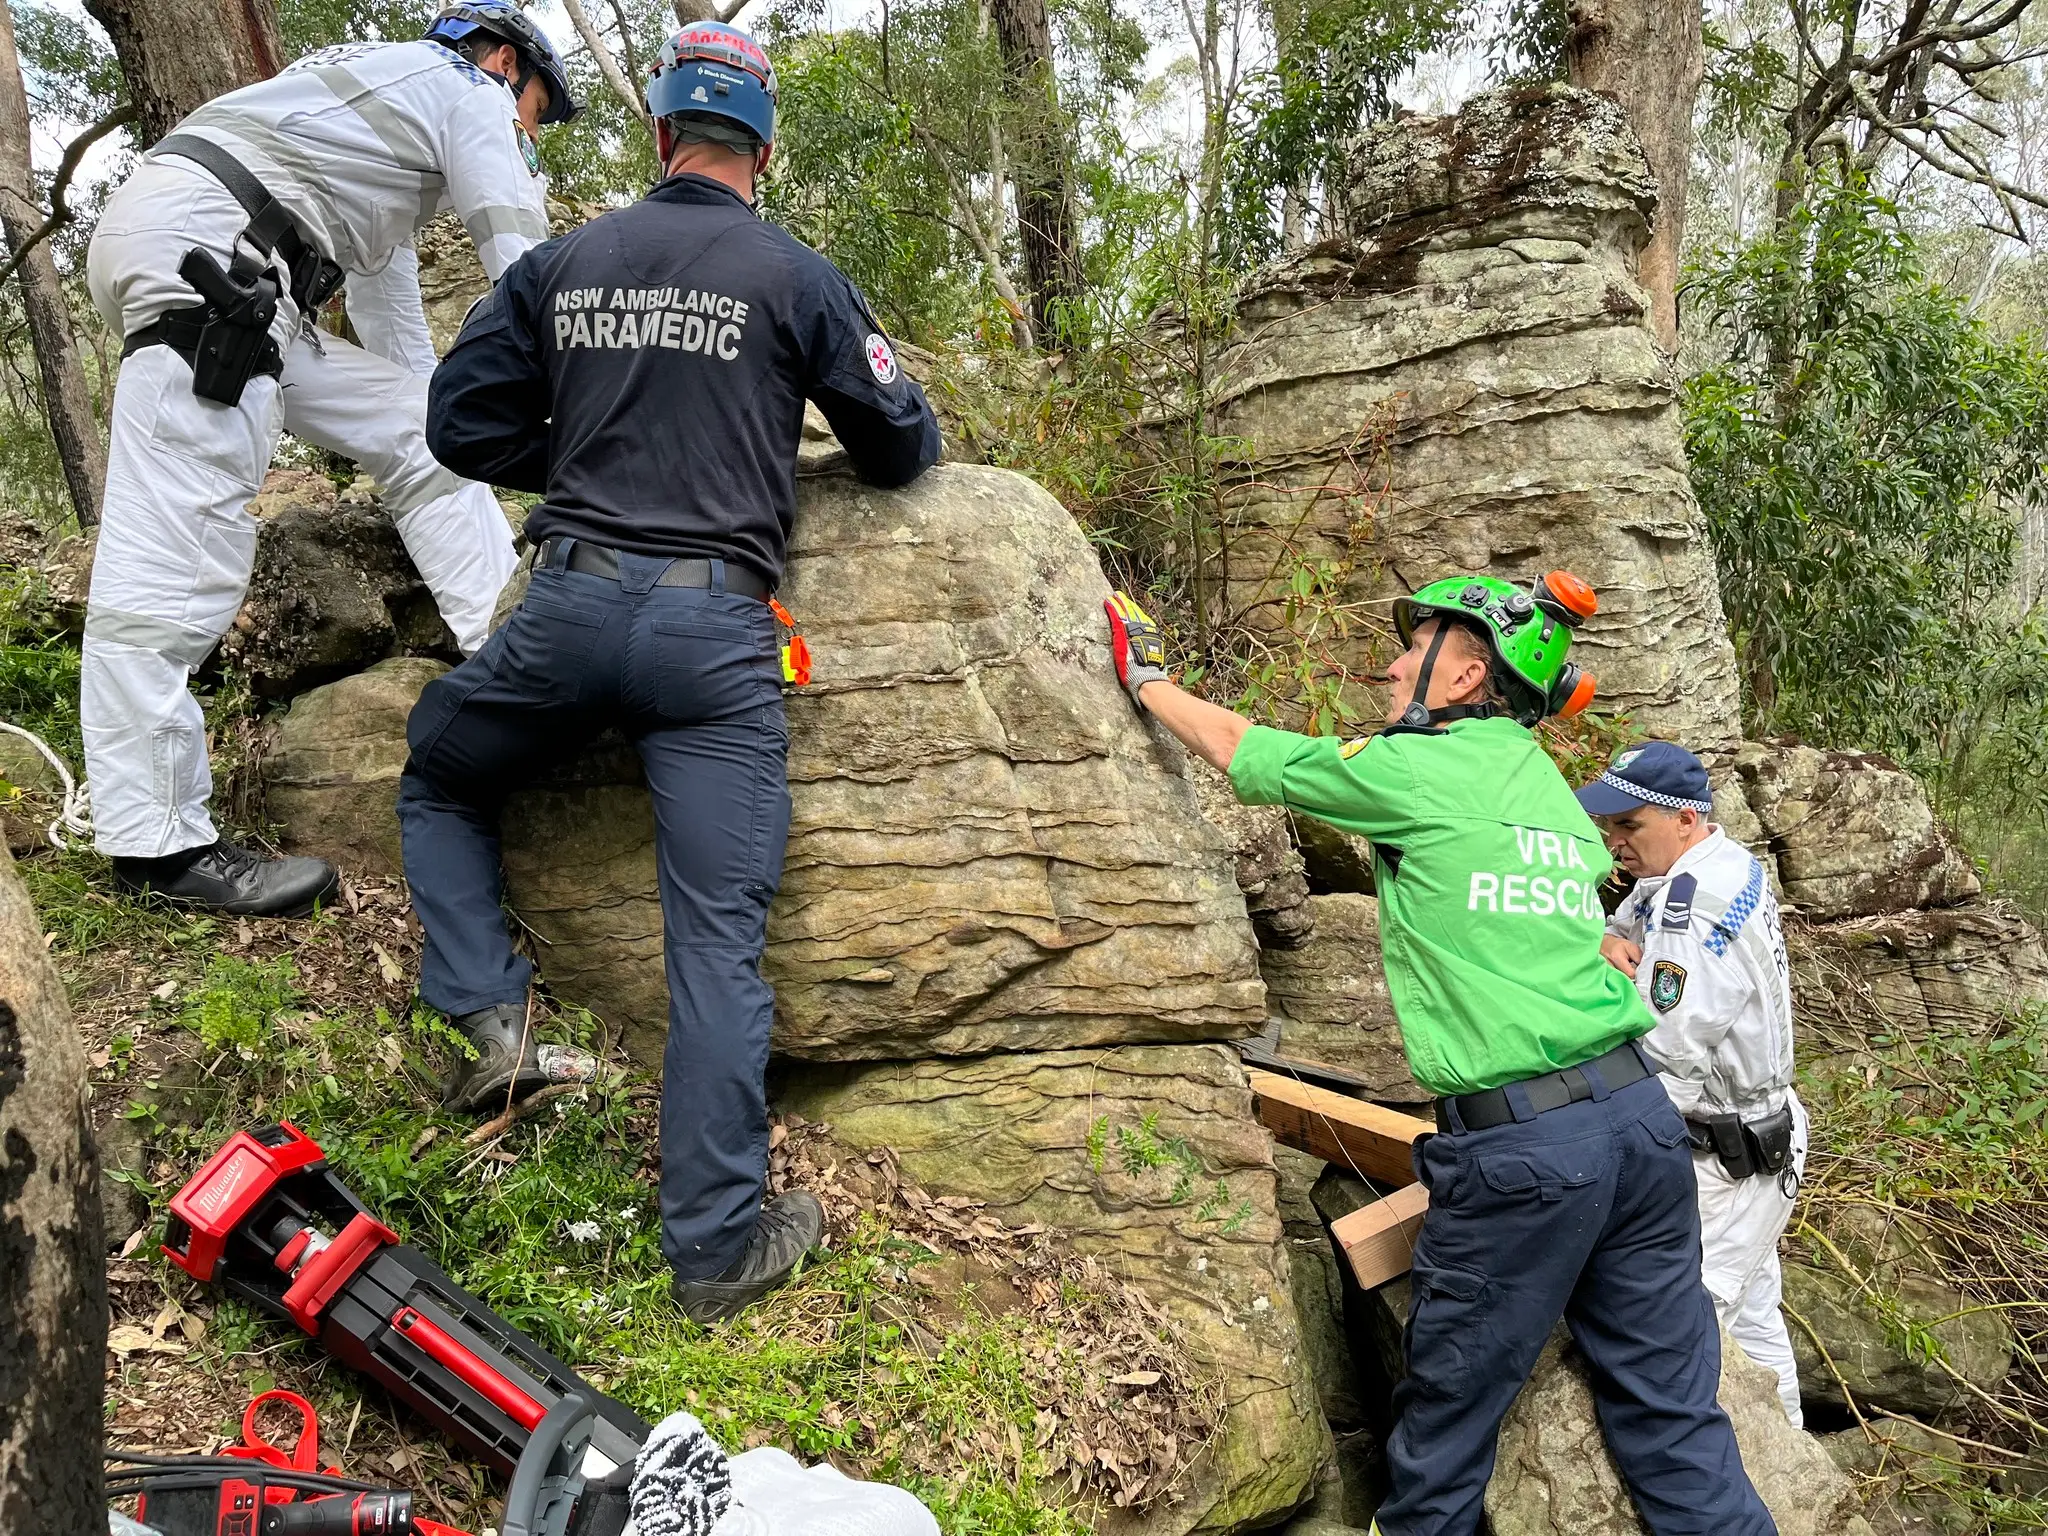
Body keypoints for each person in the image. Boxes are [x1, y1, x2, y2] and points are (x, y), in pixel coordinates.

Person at [404, 21, 941, 1324]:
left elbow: (457, 422)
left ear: (658, 138)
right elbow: (900, 446)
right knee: (715, 946)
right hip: (715, 642)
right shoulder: (794, 273)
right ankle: (714, 1251)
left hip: (572, 606)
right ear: (763, 143)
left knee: (439, 776)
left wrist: (582, 459)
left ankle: (490, 1023)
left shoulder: (564, 262)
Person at [1102, 579, 1775, 1535]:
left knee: (1444, 1437)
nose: (1392, 661)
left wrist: (1148, 679)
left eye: (1418, 643)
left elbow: (1245, 751)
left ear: (1464, 674)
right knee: (1674, 1418)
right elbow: (1578, 901)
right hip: (1640, 1129)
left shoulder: (1411, 769)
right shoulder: (1542, 781)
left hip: (1527, 1155)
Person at [83, 1, 579, 916]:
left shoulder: (384, 122)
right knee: (180, 547)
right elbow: (526, 268)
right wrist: (582, 426)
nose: (530, 137)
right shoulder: (467, 89)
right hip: (217, 259)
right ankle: (157, 846)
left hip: (224, 248)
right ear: (507, 61)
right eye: (539, 113)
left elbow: (406, 364)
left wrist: (465, 426)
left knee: (413, 422)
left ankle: (499, 634)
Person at [1579, 741, 1807, 1426]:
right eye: (1609, 825)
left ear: (1684, 818)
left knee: (1688, 1325)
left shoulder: (1692, 907)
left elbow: (1666, 1057)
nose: (1614, 840)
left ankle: (1733, 1484)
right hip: (1757, 1136)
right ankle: (1797, 1465)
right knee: (1757, 1317)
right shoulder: (1719, 860)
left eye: (1629, 824)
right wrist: (1601, 937)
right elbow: (1632, 920)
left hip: (1728, 1158)